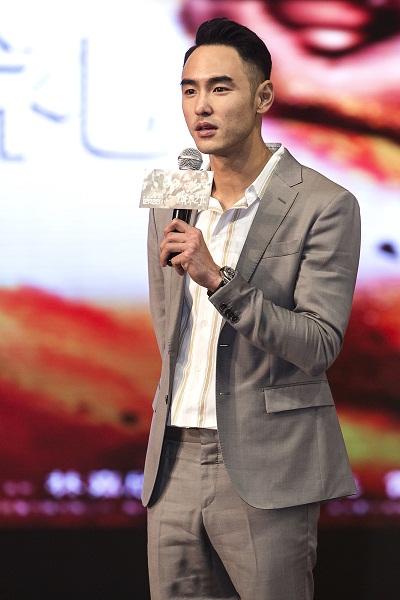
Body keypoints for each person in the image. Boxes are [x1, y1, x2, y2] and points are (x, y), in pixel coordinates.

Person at [142, 17, 361, 600]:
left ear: (263, 97)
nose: (201, 107)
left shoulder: (324, 204)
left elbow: (319, 344)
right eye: (189, 90)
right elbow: (168, 323)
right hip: (172, 460)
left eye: (220, 88)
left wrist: (219, 280)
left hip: (269, 463)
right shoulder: (173, 197)